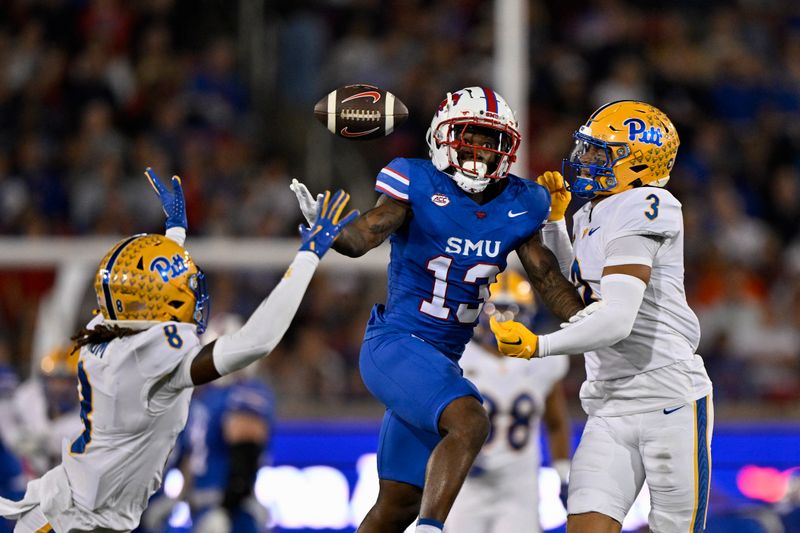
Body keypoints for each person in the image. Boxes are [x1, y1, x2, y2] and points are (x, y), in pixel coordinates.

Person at [292, 86, 585, 533]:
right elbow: (366, 234)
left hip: (440, 361)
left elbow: (547, 279)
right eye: (472, 135)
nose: (482, 150)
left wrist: (591, 321)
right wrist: (333, 231)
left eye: (492, 141)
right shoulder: (416, 182)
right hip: (396, 345)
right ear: (443, 136)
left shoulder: (521, 203)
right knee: (470, 420)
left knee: (397, 505)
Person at [0, 168, 358, 533]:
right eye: (181, 286)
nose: (191, 293)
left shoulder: (103, 329)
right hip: (78, 523)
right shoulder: (154, 359)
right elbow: (256, 341)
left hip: (59, 507)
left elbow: (144, 301)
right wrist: (309, 255)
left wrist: (174, 235)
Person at [489, 100, 714, 533]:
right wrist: (556, 224)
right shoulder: (592, 212)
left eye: (600, 153)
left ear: (638, 162)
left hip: (668, 399)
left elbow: (615, 319)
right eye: (587, 149)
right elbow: (582, 295)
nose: (585, 160)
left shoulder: (649, 203)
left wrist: (540, 346)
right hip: (609, 404)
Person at [446, 270, 571, 533]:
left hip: (519, 484)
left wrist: (563, 474)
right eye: (495, 310)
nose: (502, 320)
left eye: (512, 311)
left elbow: (556, 422)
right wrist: (457, 454)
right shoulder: (460, 358)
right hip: (467, 483)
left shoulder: (542, 360)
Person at [182, 315, 274, 533]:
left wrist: (225, 508)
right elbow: (193, 458)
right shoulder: (204, 398)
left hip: (233, 514)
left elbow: (245, 457)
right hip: (203, 509)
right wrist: (179, 498)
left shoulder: (244, 393)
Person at [3, 345, 83, 477]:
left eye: (66, 382)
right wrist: (13, 436)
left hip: (67, 480)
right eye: (54, 380)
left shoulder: (89, 412)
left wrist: (42, 441)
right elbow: (5, 413)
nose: (58, 388)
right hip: (28, 475)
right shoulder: (30, 395)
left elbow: (68, 438)